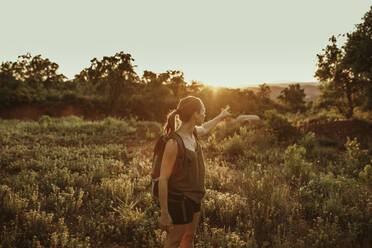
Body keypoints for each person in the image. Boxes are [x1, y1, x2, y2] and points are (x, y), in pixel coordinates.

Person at [158, 96, 231, 248]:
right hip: (179, 199)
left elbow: (205, 128)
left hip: (195, 197)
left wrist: (221, 116)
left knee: (189, 237)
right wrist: (164, 213)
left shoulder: (194, 133)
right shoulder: (174, 142)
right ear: (195, 114)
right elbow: (163, 179)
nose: (205, 115)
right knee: (173, 241)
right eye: (203, 111)